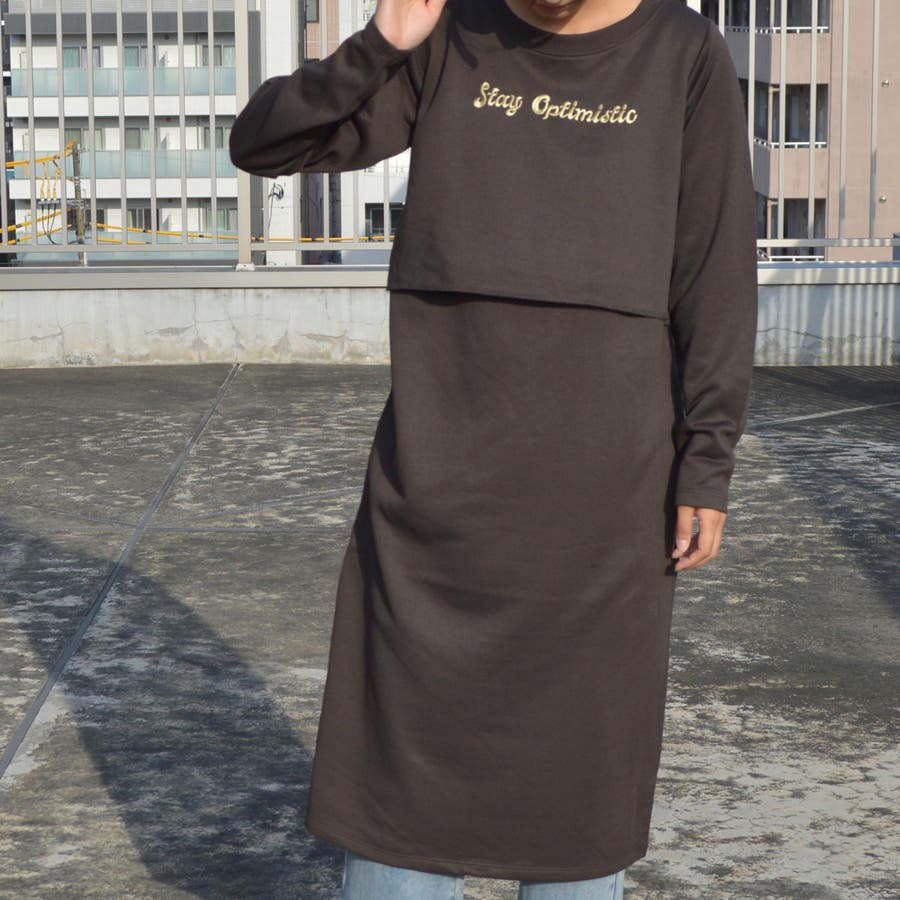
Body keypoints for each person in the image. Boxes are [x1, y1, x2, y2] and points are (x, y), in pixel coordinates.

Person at [229, 0, 758, 896]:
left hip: (606, 504)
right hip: (434, 494)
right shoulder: (449, 32)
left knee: (576, 805)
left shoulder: (683, 51)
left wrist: (707, 458)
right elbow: (265, 145)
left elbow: (714, 270)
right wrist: (381, 43)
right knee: (397, 799)